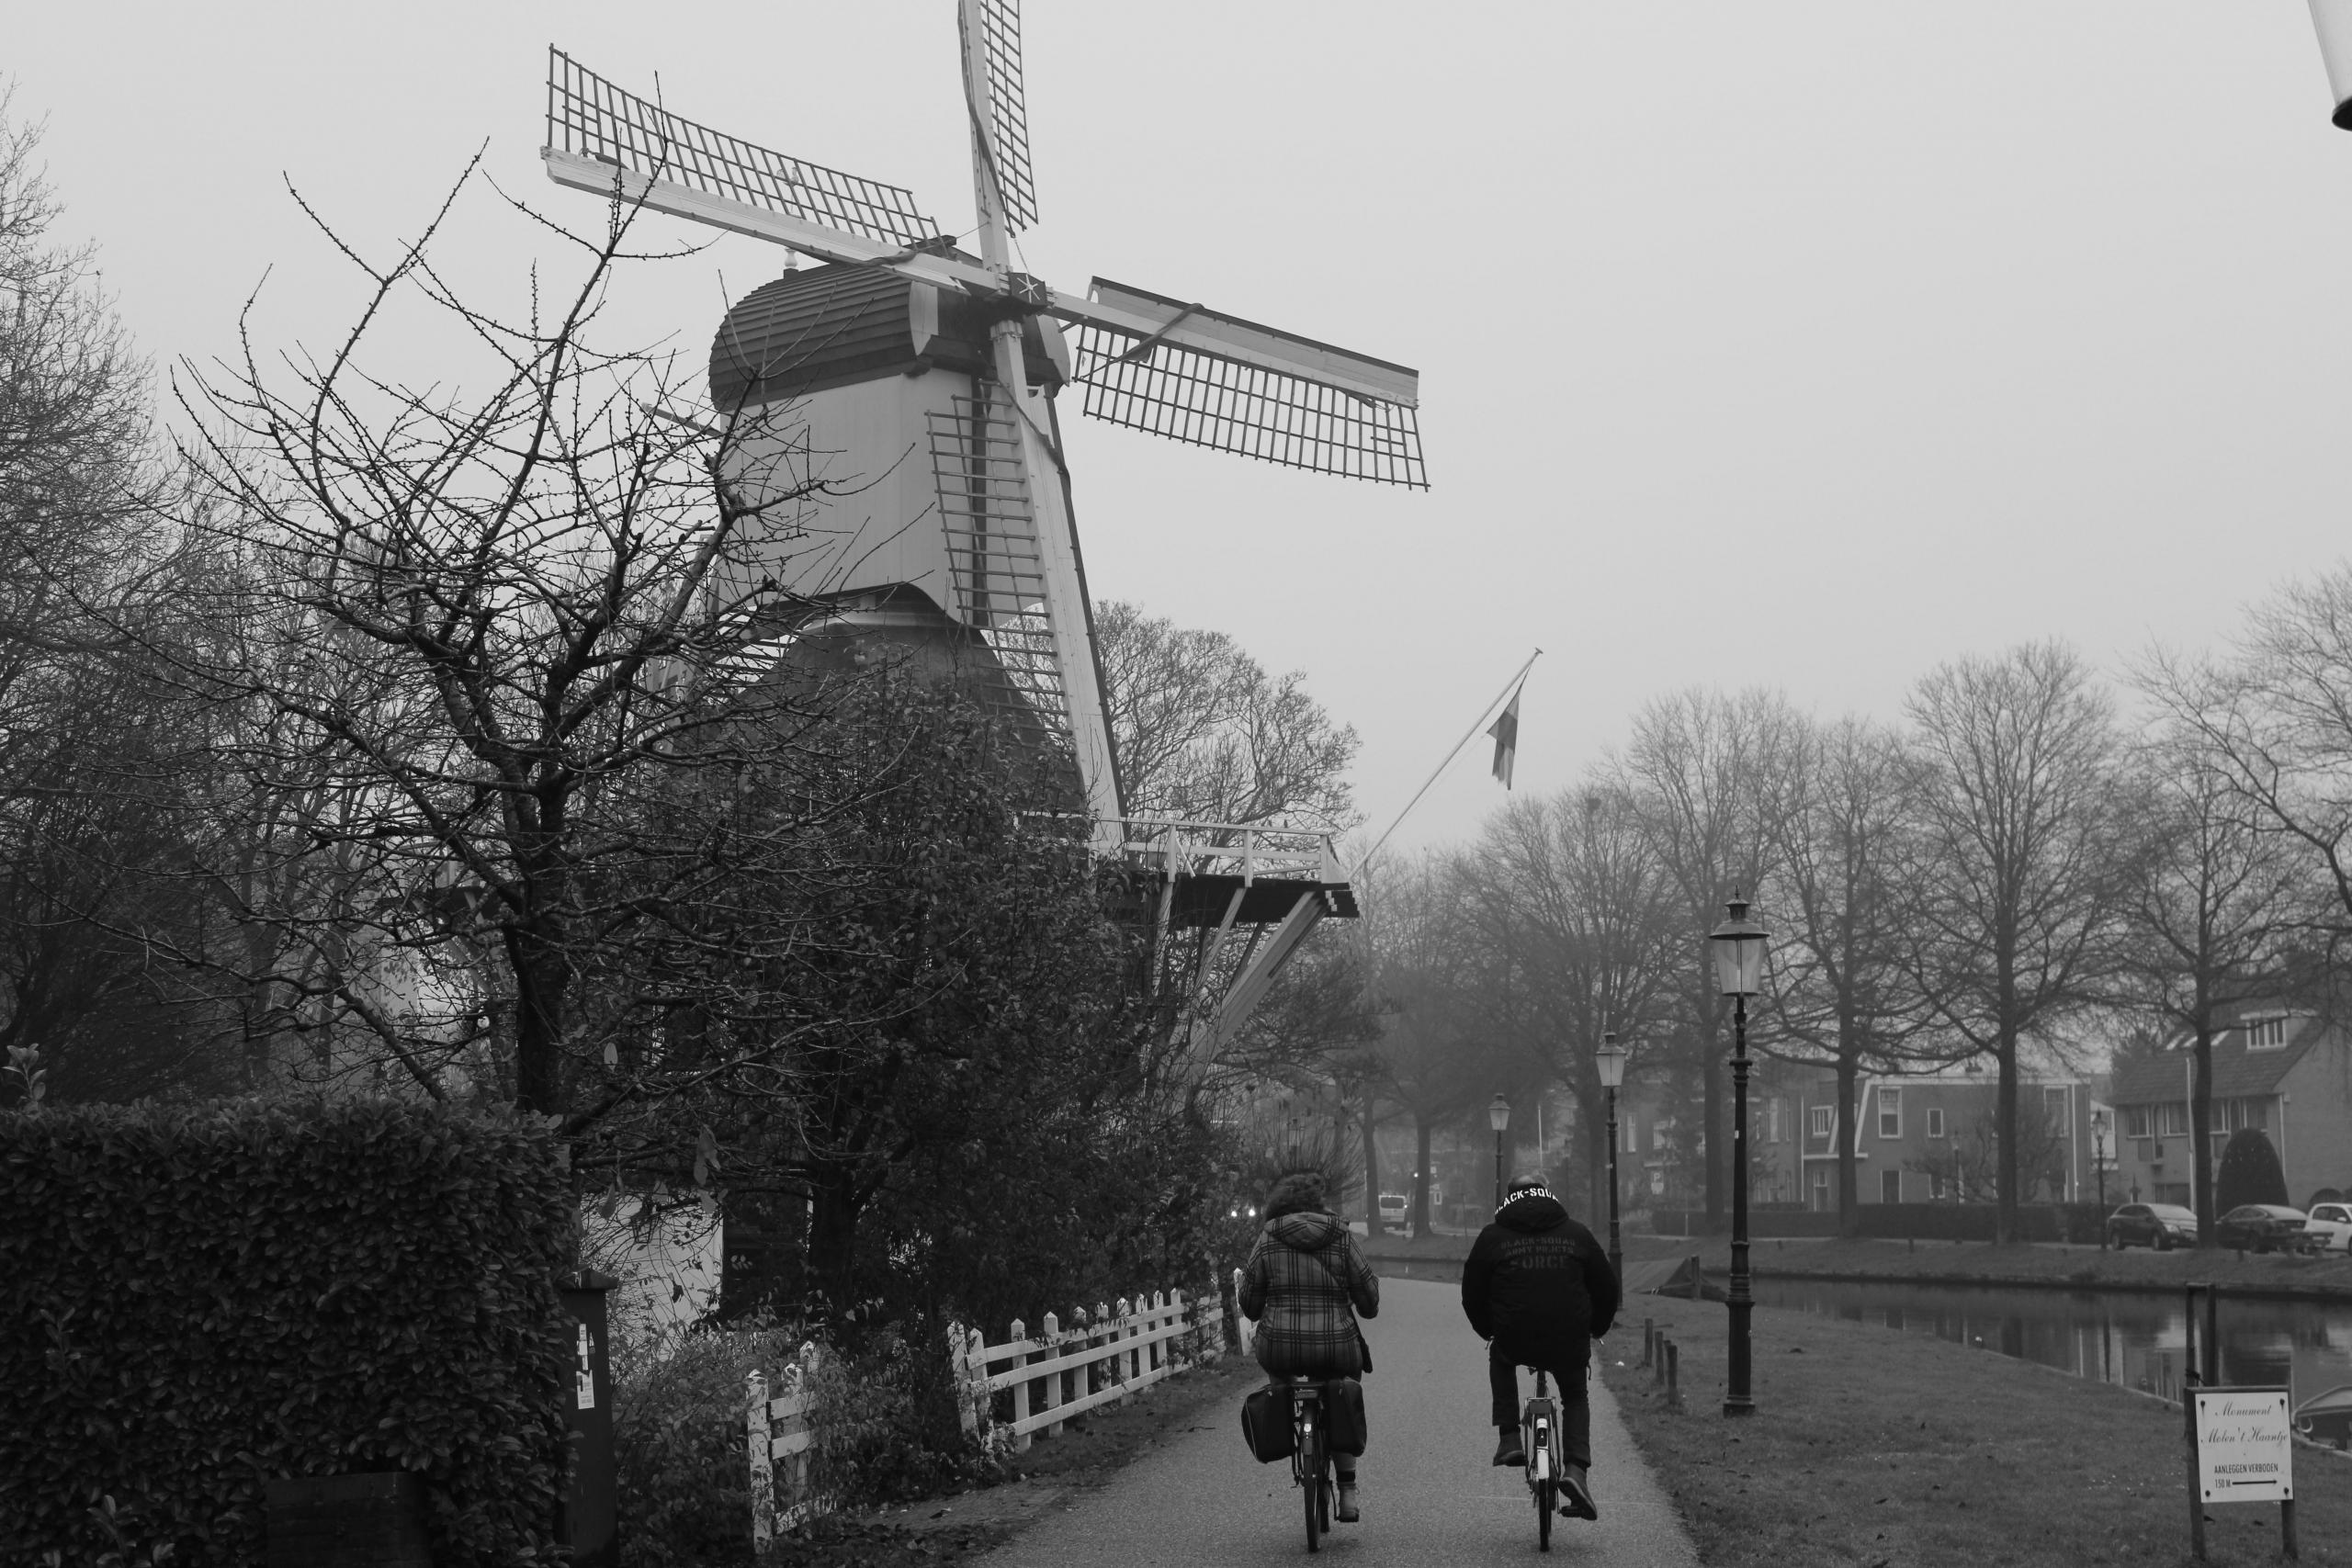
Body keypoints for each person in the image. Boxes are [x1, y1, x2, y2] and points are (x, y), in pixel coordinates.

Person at [1461, 1174, 1620, 1521]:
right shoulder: (1576, 1234)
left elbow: (1471, 1290)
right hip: (1568, 1336)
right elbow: (1607, 1286)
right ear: (1549, 1194)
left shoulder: (1493, 1237)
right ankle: (1576, 1470)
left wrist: (1488, 1330)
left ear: (1509, 1198)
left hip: (1514, 1335)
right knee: (1575, 1395)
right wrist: (1596, 1327)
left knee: (1500, 1358)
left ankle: (1509, 1439)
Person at [1238, 1168, 1380, 1523]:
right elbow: (1369, 1299)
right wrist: (1361, 1302)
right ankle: (1347, 1490)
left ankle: (1290, 1426)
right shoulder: (1342, 1237)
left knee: (1282, 1384)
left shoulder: (1268, 1239)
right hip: (1336, 1344)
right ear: (1318, 1205)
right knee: (1343, 1394)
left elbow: (1250, 1306)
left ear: (1279, 1206)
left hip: (1280, 1346)